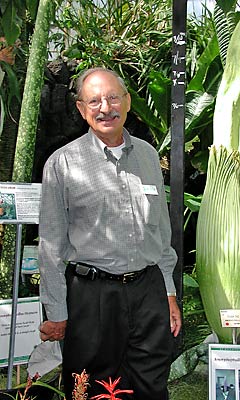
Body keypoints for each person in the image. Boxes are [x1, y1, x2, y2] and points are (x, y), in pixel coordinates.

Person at [38, 67, 181, 400]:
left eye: (113, 97)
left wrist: (169, 293)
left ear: (127, 102)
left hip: (147, 291)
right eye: (95, 101)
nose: (106, 108)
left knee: (151, 382)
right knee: (90, 386)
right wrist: (57, 313)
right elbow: (51, 245)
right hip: (92, 295)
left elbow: (160, 233)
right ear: (81, 109)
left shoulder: (147, 156)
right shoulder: (63, 163)